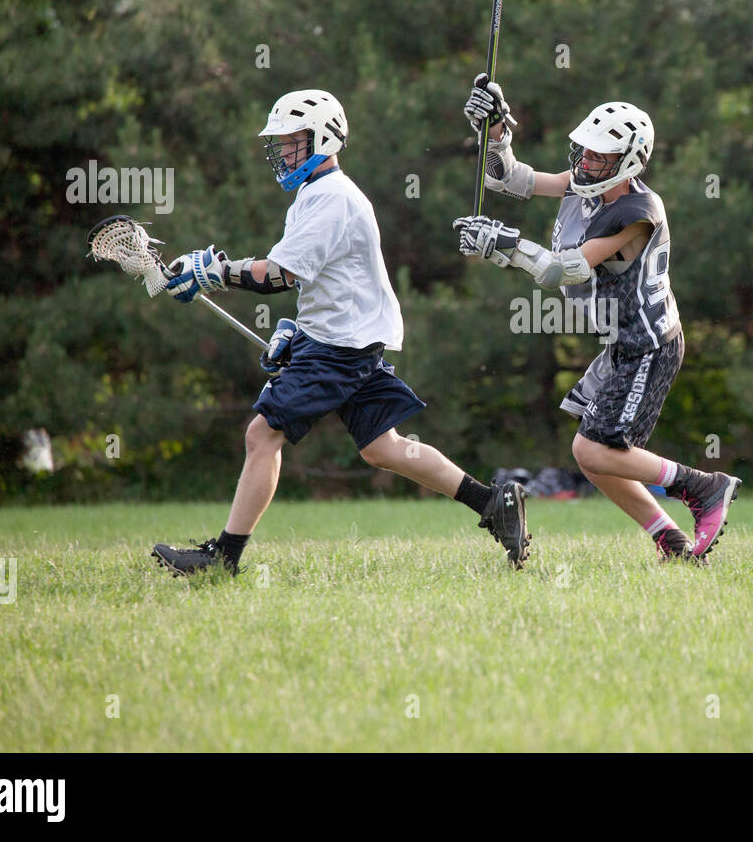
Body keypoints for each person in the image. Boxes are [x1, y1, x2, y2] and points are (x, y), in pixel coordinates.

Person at [150, 88, 530, 575]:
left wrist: (214, 271)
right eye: (281, 143)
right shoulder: (317, 195)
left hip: (341, 345)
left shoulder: (333, 198)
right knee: (382, 447)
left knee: (262, 434)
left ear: (323, 139)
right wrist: (296, 329)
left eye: (292, 142)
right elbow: (318, 279)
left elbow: (278, 276)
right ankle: (494, 504)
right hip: (342, 336)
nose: (282, 152)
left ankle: (223, 558)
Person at [455, 75, 740, 562]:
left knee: (594, 450)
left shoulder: (635, 211)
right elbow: (510, 180)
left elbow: (563, 269)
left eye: (599, 157)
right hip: (620, 343)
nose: (586, 163)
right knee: (599, 458)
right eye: (584, 152)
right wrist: (497, 131)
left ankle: (704, 486)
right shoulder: (586, 184)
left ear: (629, 161)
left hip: (648, 345)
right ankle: (671, 541)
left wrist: (505, 246)